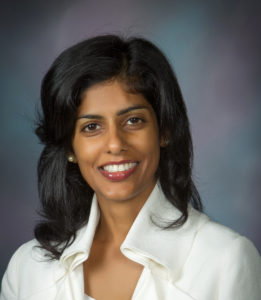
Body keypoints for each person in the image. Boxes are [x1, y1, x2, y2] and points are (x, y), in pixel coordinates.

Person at [0, 35, 260, 300]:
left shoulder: (227, 261)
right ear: (70, 148)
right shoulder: (27, 270)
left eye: (134, 120)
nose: (115, 144)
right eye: (92, 127)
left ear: (164, 130)